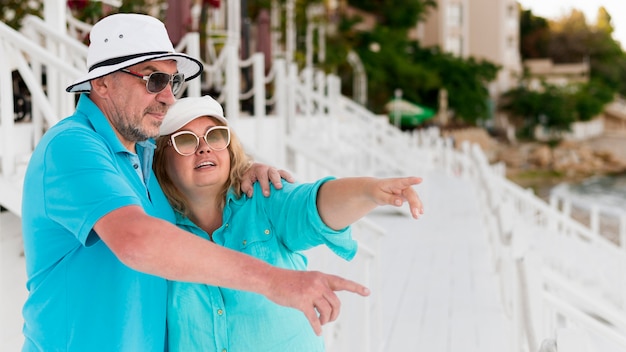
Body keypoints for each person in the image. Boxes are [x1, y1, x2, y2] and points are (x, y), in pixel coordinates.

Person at [20, 13, 370, 351]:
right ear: (102, 83)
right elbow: (136, 239)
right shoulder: (71, 146)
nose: (169, 97)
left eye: (173, 82)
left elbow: (194, 174)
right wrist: (274, 280)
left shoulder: (144, 154)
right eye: (153, 80)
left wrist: (241, 169)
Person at [152, 95, 424, 351]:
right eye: (185, 141)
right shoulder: (155, 230)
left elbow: (312, 206)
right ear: (162, 161)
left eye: (215, 136)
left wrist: (368, 190)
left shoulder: (264, 197)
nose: (204, 147)